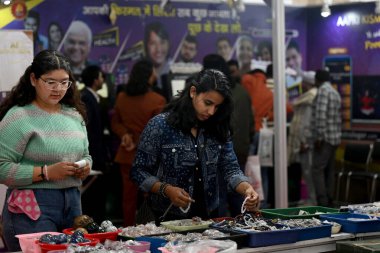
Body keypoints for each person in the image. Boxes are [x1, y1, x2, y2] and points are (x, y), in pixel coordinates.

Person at [130, 69, 259, 222]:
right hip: (167, 219)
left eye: (217, 107)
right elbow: (138, 171)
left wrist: (247, 189)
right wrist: (166, 189)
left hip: (208, 218)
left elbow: (230, 168)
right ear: (193, 92)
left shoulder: (218, 128)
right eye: (208, 103)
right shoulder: (160, 125)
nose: (211, 112)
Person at [0, 50, 92, 251]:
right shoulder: (18, 117)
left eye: (64, 82)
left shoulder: (74, 115)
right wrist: (47, 172)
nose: (58, 89)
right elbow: (1, 167)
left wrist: (85, 167)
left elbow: (85, 155)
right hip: (31, 206)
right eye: (50, 82)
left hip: (74, 202)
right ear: (33, 79)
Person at [111, 60, 166, 226]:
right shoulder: (158, 100)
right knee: (151, 195)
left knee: (128, 198)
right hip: (150, 157)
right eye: (153, 71)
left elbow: (115, 123)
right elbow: (158, 131)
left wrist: (126, 135)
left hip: (126, 154)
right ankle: (149, 229)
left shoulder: (121, 97)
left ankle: (128, 230)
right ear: (149, 76)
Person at [203, 54, 254, 216]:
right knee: (239, 193)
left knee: (220, 196)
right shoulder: (242, 91)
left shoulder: (214, 94)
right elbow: (251, 123)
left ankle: (224, 230)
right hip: (241, 148)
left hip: (219, 149)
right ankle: (245, 225)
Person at [80, 65, 110, 222]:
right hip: (93, 155)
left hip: (97, 154)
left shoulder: (93, 98)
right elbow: (90, 131)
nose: (102, 79)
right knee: (93, 196)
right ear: (94, 79)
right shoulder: (86, 98)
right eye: (100, 76)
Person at [312, 69, 341, 207]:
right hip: (334, 138)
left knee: (317, 169)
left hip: (324, 139)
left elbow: (320, 115)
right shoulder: (335, 92)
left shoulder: (323, 91)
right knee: (330, 170)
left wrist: (319, 137)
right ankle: (330, 200)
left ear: (317, 80)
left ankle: (322, 202)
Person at [288, 78, 318, 205]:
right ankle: (311, 199)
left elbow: (306, 123)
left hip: (305, 143)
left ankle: (313, 200)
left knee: (308, 172)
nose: (302, 85)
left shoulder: (310, 99)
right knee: (306, 172)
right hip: (304, 142)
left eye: (304, 83)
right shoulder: (306, 99)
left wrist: (304, 141)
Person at [144, 21, 171, 92]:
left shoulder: (175, 70)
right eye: (153, 43)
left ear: (168, 44)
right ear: (146, 46)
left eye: (162, 42)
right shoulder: (140, 74)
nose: (158, 49)